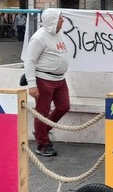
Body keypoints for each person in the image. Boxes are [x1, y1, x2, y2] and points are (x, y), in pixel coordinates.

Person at [23, 9, 70, 157]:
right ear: (53, 20)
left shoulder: (58, 34)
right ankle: (42, 144)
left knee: (64, 107)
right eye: (60, 18)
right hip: (44, 79)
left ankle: (41, 131)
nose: (62, 21)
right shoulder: (39, 38)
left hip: (60, 79)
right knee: (42, 112)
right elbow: (29, 61)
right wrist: (32, 84)